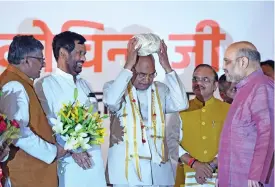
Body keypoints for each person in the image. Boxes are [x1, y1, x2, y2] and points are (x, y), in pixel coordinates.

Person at [103, 38, 189, 187]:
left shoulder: (160, 90)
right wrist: (128, 66)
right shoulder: (115, 88)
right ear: (131, 71)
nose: (147, 79)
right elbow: (111, 102)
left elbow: (181, 103)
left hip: (158, 171)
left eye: (151, 74)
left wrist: (167, 67)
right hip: (126, 172)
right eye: (142, 74)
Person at [35, 31, 106, 187]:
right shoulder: (45, 85)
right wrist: (73, 148)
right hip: (67, 163)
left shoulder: (85, 84)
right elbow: (46, 124)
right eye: (79, 53)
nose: (84, 58)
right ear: (63, 53)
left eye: (84, 53)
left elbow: (93, 119)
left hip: (94, 161)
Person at [0, 35, 66, 187]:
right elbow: (16, 132)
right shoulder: (14, 85)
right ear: (26, 60)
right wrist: (52, 151)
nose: (43, 64)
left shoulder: (17, 81)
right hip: (25, 174)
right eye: (40, 59)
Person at [218, 41, 274, 187]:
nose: (223, 67)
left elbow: (268, 133)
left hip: (251, 180)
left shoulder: (262, 86)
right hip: (234, 177)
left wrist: (256, 175)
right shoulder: (245, 88)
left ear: (243, 62)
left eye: (227, 61)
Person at [174, 64, 230, 187]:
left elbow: (233, 143)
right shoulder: (181, 109)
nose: (198, 83)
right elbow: (171, 141)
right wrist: (195, 164)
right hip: (186, 174)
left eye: (205, 79)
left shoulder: (229, 110)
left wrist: (211, 165)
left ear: (215, 85)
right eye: (195, 79)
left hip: (220, 176)